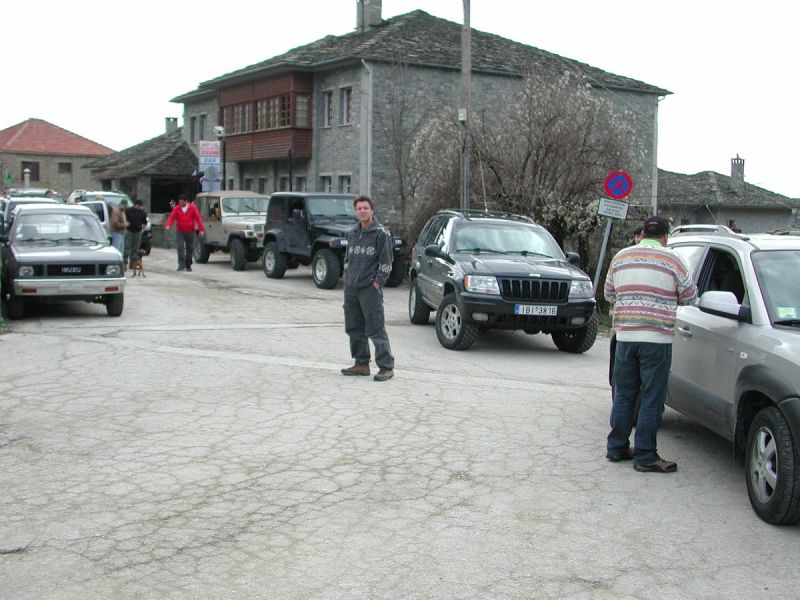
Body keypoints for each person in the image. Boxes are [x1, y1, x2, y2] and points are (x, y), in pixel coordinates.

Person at [604, 215, 697, 473]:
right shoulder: (673, 259)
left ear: (643, 234)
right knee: (651, 398)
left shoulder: (621, 257)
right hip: (656, 340)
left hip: (625, 338)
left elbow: (608, 293)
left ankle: (616, 447)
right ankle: (645, 455)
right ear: (666, 237)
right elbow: (690, 295)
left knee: (624, 395)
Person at [340, 195, 395, 382]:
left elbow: (387, 263)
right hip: (351, 288)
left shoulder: (381, 234)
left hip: (369, 289)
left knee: (375, 328)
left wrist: (377, 283)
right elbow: (347, 259)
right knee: (354, 327)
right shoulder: (353, 233)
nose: (362, 211)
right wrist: (347, 278)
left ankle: (386, 367)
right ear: (355, 211)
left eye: (365, 208)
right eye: (359, 208)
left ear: (372, 210)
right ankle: (361, 363)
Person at [164, 195, 204, 272]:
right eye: (179, 202)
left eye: (182, 202)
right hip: (180, 231)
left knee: (190, 249)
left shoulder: (192, 208)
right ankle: (181, 265)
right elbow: (171, 217)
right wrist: (168, 225)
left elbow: (198, 218)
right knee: (180, 247)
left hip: (190, 231)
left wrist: (201, 229)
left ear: (186, 201)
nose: (180, 204)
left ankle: (188, 264)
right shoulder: (177, 208)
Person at [124, 199, 148, 270]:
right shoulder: (128, 211)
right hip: (129, 230)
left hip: (138, 232)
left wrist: (143, 225)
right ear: (135, 205)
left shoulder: (142, 212)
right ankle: (124, 263)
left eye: (140, 206)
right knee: (127, 248)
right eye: (138, 206)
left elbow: (145, 221)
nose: (139, 208)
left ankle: (133, 264)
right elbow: (124, 219)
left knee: (135, 249)